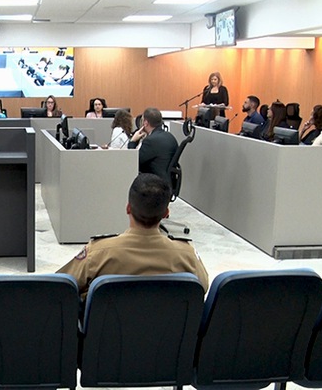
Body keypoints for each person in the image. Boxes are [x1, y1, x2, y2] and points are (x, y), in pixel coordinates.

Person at [56, 173, 209, 300]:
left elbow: (60, 285)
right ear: (166, 213)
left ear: (128, 208)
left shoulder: (98, 253)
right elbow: (203, 286)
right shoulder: (187, 255)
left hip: (106, 335)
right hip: (168, 334)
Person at [127, 108, 178, 186]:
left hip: (154, 185)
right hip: (168, 182)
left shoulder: (150, 141)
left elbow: (133, 162)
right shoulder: (170, 136)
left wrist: (133, 141)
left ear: (146, 123)